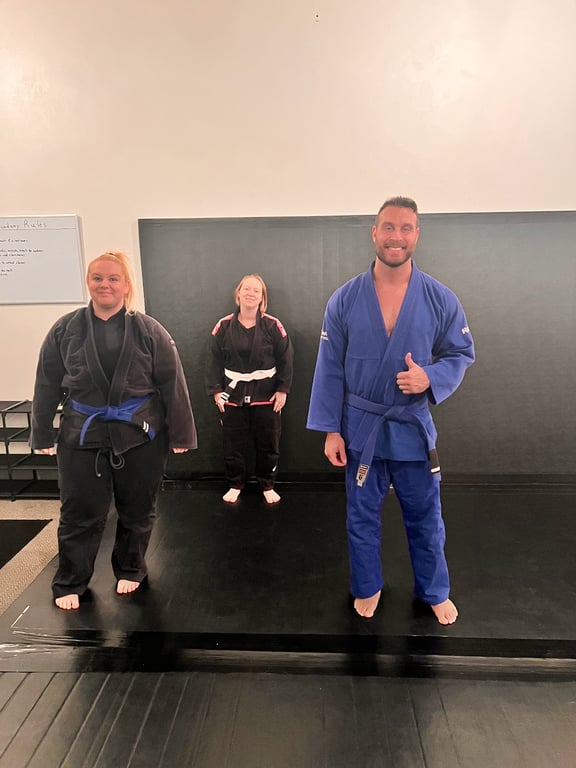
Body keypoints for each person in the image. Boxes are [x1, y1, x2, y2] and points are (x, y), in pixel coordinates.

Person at [307, 197, 474, 625]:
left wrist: (429, 378)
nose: (396, 236)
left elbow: (460, 352)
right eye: (388, 227)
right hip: (361, 429)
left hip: (411, 428)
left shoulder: (439, 297)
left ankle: (434, 591)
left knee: (426, 517)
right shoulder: (345, 299)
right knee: (361, 517)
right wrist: (331, 430)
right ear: (374, 233)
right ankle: (367, 586)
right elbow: (329, 368)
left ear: (416, 235)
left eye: (405, 228)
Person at [31, 250, 197, 610]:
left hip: (139, 434)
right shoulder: (65, 328)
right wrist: (41, 432)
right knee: (79, 512)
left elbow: (172, 382)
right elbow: (46, 382)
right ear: (88, 282)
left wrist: (182, 433)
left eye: (112, 278)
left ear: (126, 285)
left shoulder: (149, 329)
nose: (104, 284)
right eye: (97, 278)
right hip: (81, 433)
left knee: (137, 508)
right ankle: (71, 580)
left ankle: (131, 567)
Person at [206, 273, 293, 505]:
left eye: (256, 290)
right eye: (247, 288)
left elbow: (286, 359)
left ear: (262, 297)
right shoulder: (223, 326)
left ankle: (267, 484)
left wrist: (282, 390)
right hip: (232, 394)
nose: (251, 293)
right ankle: (235, 483)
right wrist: (216, 391)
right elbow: (213, 360)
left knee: (269, 442)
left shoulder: (273, 325)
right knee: (232, 442)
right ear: (238, 293)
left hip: (266, 393)